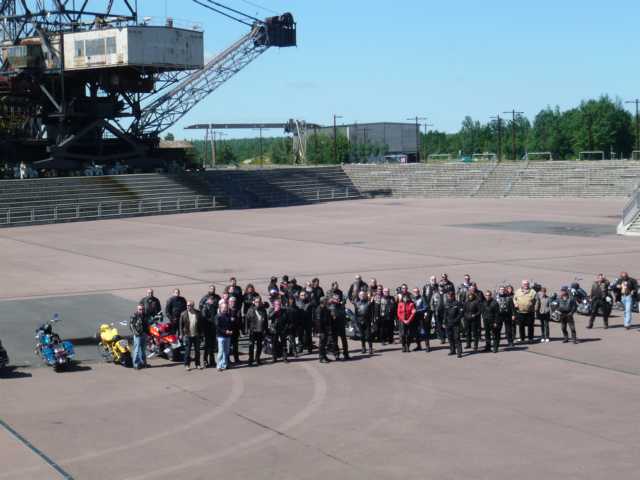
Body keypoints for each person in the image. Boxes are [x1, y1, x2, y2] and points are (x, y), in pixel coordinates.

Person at [179, 300, 204, 371]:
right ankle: (187, 365)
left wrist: (201, 334)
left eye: (189, 305)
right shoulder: (183, 314)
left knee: (197, 351)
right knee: (187, 351)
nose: (188, 307)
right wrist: (181, 334)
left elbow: (201, 324)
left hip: (196, 334)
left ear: (193, 306)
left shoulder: (198, 313)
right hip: (188, 335)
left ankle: (198, 364)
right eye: (187, 305)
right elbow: (180, 325)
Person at [246, 296, 268, 366]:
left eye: (259, 302)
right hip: (253, 330)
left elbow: (266, 321)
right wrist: (246, 329)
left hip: (260, 330)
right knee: (251, 346)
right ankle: (250, 359)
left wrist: (266, 329)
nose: (258, 303)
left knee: (259, 345)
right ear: (253, 302)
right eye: (256, 302)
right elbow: (247, 320)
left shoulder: (263, 310)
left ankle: (257, 358)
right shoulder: (250, 310)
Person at [329, 293, 350, 360]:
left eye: (338, 299)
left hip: (341, 325)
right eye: (336, 299)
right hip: (334, 326)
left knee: (344, 339)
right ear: (333, 299)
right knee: (335, 340)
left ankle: (346, 353)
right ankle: (336, 354)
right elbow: (330, 317)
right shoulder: (331, 307)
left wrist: (346, 321)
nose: (338, 300)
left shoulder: (341, 306)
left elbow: (344, 314)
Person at [444, 291, 464, 358]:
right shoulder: (446, 303)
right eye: (449, 296)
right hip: (448, 323)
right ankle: (452, 350)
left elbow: (461, 313)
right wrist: (444, 322)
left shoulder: (457, 303)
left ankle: (459, 352)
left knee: (457, 337)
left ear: (453, 296)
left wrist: (456, 320)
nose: (449, 297)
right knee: (450, 337)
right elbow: (445, 313)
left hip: (456, 323)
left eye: (451, 295)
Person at [130, 304, 150, 369]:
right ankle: (136, 364)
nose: (141, 310)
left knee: (143, 350)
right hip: (138, 335)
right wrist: (136, 333)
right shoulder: (134, 315)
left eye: (142, 309)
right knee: (136, 349)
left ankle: (143, 363)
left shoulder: (145, 315)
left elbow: (147, 325)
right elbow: (131, 325)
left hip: (144, 334)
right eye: (140, 309)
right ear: (137, 309)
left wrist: (148, 333)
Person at [215, 302, 233, 371]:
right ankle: (219, 365)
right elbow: (217, 327)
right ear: (220, 308)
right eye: (223, 307)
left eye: (226, 307)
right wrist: (225, 331)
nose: (224, 309)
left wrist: (231, 330)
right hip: (221, 336)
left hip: (228, 336)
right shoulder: (218, 316)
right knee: (221, 351)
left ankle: (224, 364)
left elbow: (230, 325)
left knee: (226, 351)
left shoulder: (228, 315)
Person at [354, 290, 373, 354]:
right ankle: (363, 348)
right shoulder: (356, 303)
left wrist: (372, 320)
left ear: (365, 295)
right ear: (359, 296)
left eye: (363, 295)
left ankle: (370, 348)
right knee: (362, 336)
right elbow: (356, 313)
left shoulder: (369, 303)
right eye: (360, 295)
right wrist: (356, 321)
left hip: (367, 321)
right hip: (360, 321)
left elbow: (371, 312)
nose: (362, 296)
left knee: (368, 335)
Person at [201, 297, 218, 368]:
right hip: (207, 330)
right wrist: (213, 321)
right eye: (211, 300)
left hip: (213, 329)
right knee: (207, 346)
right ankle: (205, 361)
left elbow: (215, 316)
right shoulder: (205, 308)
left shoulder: (213, 307)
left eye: (213, 300)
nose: (212, 301)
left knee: (212, 346)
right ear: (208, 301)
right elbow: (204, 319)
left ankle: (212, 361)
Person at [314, 297, 332, 363]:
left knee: (324, 344)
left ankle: (324, 356)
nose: (327, 301)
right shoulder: (319, 309)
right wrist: (319, 331)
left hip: (326, 329)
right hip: (322, 330)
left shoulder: (325, 308)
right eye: (326, 301)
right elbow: (318, 321)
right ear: (323, 301)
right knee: (321, 344)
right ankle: (321, 357)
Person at [296, 290, 314, 354]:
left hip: (308, 322)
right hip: (300, 322)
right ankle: (300, 348)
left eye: (304, 295)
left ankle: (310, 348)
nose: (303, 296)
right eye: (302, 295)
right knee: (300, 336)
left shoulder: (309, 303)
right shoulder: (297, 303)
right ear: (299, 296)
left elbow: (312, 313)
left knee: (308, 335)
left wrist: (312, 322)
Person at [412, 287, 429, 352]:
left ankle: (427, 346)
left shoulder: (422, 298)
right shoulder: (412, 299)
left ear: (419, 292)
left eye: (417, 291)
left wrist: (417, 311)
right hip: (414, 319)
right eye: (415, 292)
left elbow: (426, 307)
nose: (416, 293)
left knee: (424, 332)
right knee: (416, 333)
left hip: (421, 318)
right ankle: (419, 346)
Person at [228, 297, 243, 364]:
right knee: (228, 346)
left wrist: (241, 330)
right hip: (228, 331)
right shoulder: (227, 309)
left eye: (234, 301)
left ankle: (236, 359)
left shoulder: (238, 310)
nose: (233, 303)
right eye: (231, 301)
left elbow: (240, 320)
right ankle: (228, 359)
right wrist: (230, 319)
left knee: (235, 346)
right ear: (229, 302)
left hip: (236, 330)